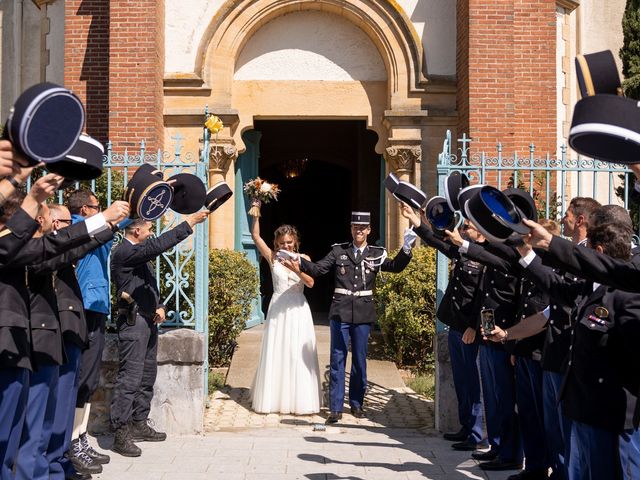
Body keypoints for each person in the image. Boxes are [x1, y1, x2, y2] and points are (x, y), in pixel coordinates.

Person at [299, 210, 415, 424]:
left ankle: (356, 403)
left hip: (363, 313)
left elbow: (394, 268)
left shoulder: (376, 253)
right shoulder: (338, 251)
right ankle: (335, 408)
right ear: (351, 229)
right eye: (355, 227)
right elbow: (317, 269)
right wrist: (297, 259)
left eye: (362, 228)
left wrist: (406, 249)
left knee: (360, 362)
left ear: (369, 230)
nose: (358, 230)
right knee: (337, 359)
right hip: (341, 311)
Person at [109, 211, 208, 457]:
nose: (151, 233)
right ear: (136, 231)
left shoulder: (139, 255)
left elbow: (148, 283)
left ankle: (139, 423)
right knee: (129, 379)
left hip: (148, 320)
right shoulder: (124, 252)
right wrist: (190, 222)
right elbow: (157, 246)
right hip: (133, 322)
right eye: (149, 229)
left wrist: (161, 304)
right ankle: (120, 433)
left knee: (146, 376)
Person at [405, 207, 486, 451]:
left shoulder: (487, 256)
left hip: (470, 330)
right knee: (461, 380)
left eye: (467, 227)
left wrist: (474, 325)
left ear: (479, 232)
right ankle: (465, 426)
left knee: (473, 383)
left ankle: (476, 432)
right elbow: (436, 241)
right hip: (455, 326)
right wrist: (418, 222)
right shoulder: (464, 252)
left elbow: (483, 296)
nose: (462, 230)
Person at [248, 204, 321, 414]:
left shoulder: (304, 258)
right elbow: (255, 236)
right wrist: (256, 211)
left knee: (296, 353)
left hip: (298, 308)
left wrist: (295, 269)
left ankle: (301, 401)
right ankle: (274, 400)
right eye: (282, 243)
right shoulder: (272, 257)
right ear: (276, 244)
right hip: (278, 307)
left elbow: (310, 283)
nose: (286, 246)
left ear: (296, 242)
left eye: (289, 242)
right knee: (278, 351)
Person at [67, 188, 117, 472]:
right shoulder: (78, 227)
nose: (101, 210)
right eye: (97, 206)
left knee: (89, 381)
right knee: (81, 379)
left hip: (96, 306)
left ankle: (80, 437)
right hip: (84, 306)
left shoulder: (93, 227)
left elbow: (115, 229)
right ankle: (72, 442)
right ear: (85, 209)